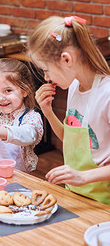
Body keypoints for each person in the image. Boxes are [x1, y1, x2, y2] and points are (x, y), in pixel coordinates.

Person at [27, 15, 110, 205]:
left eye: (46, 70)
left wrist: (83, 177)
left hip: (103, 202)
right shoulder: (74, 87)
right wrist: (47, 111)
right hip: (75, 194)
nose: (47, 78)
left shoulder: (107, 95)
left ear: (66, 59)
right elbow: (70, 138)